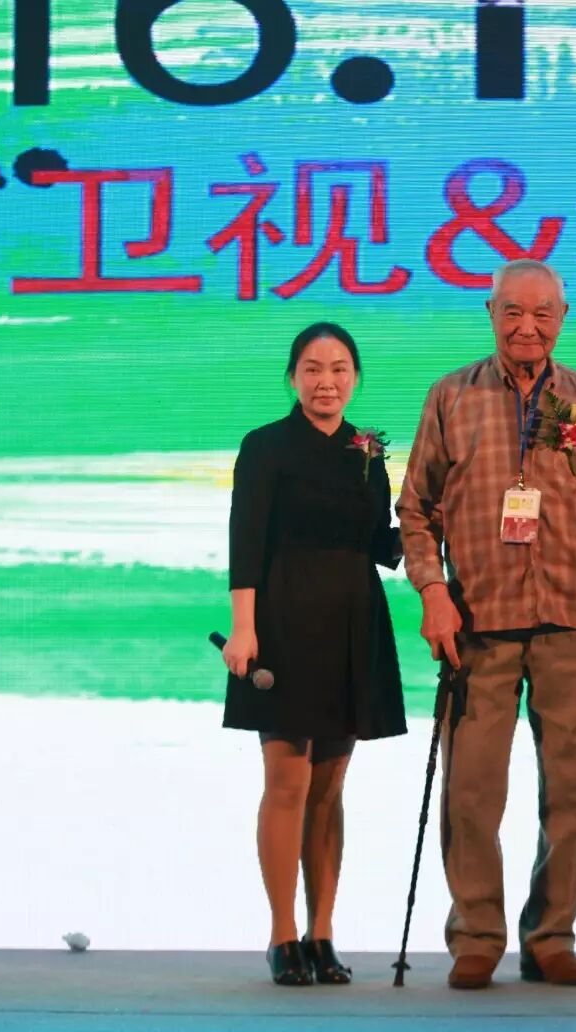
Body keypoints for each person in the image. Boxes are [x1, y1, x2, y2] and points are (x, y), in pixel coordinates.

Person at [396, 259, 576, 990]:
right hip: (477, 623)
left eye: (543, 313)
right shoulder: (451, 395)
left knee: (571, 794)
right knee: (471, 792)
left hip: (574, 622)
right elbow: (415, 509)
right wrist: (433, 591)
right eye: (513, 311)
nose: (527, 327)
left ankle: (551, 937)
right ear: (491, 314)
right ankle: (477, 935)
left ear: (562, 319)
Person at [221, 322, 406, 987]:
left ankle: (322, 932)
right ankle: (282, 935)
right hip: (283, 620)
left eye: (339, 369)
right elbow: (247, 540)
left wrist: (427, 522)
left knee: (329, 789)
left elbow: (378, 541)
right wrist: (243, 630)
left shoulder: (368, 447)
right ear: (293, 376)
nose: (327, 381)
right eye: (313, 368)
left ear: (355, 376)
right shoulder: (265, 446)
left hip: (354, 622)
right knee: (288, 782)